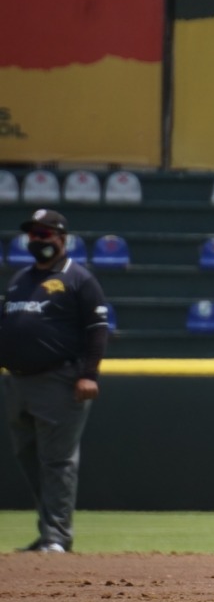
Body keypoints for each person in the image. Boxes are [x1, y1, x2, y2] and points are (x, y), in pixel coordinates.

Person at [1, 209, 110, 553]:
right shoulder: (21, 279)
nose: (38, 240)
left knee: (57, 460)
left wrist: (88, 374)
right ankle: (48, 531)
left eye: (45, 234)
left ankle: (57, 537)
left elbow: (97, 331)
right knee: (28, 455)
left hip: (60, 380)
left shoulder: (78, 279)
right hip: (18, 382)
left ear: (62, 239)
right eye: (33, 234)